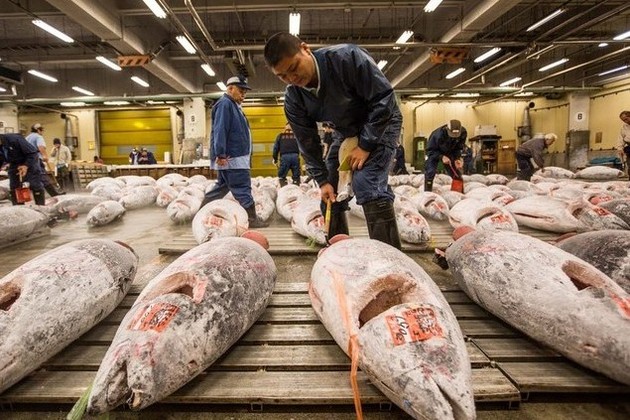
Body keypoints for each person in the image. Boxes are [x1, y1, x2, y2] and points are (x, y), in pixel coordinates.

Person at [263, 32, 402, 249]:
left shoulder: (347, 58)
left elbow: (383, 99)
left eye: (294, 68)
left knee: (367, 182)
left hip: (381, 121)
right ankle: (339, 251)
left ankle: (392, 259)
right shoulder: (294, 97)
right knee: (332, 192)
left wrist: (366, 145)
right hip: (345, 131)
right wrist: (323, 181)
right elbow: (307, 141)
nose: (292, 78)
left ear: (305, 49)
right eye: (283, 76)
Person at [200, 75, 268, 228]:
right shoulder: (225, 104)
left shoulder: (232, 105)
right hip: (233, 158)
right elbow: (220, 131)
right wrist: (221, 154)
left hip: (233, 157)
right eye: (241, 90)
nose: (243, 94)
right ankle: (251, 219)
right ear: (230, 89)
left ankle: (201, 211)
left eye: (245, 91)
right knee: (242, 187)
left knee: (222, 186)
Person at [0, 133, 46, 205]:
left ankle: (41, 208)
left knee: (35, 184)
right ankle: (18, 209)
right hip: (14, 163)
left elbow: (32, 153)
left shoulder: (15, 139)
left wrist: (25, 166)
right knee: (14, 187)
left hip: (29, 160)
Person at [424, 120, 467, 191]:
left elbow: (459, 147)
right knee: (430, 172)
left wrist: (457, 158)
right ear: (447, 129)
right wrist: (441, 157)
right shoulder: (437, 135)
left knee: (456, 174)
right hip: (435, 152)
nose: (455, 136)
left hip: (450, 152)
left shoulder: (463, 133)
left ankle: (458, 193)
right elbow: (430, 151)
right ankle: (428, 192)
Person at [25, 123, 64, 196]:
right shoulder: (38, 137)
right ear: (38, 130)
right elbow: (41, 147)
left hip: (27, 161)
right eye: (41, 130)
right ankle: (54, 194)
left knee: (34, 178)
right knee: (42, 175)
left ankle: (36, 194)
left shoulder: (27, 137)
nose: (42, 132)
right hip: (36, 160)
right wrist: (45, 156)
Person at [617, 110, 630, 177]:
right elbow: (620, 138)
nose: (625, 121)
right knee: (629, 164)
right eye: (623, 120)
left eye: (626, 119)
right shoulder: (624, 127)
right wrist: (620, 148)